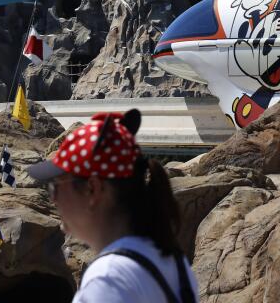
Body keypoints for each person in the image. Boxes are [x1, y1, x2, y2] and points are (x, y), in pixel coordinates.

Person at [28, 109, 197, 303]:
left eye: (54, 186)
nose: (53, 200)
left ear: (92, 189)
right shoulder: (175, 264)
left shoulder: (108, 280)